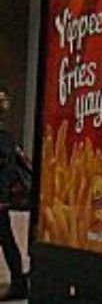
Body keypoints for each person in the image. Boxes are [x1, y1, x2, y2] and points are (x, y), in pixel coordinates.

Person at [0, 91, 28, 301]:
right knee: (6, 239)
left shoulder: (2, 138)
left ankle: (19, 281)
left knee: (6, 240)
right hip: (2, 197)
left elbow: (5, 169)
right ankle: (18, 281)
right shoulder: (6, 137)